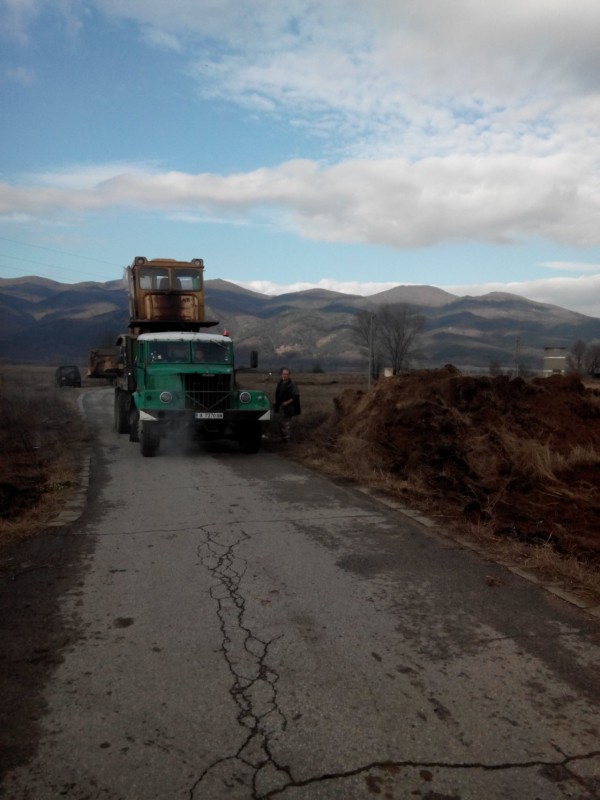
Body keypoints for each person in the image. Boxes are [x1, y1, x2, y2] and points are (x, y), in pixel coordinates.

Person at [274, 367, 300, 442]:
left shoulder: (292, 385)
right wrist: (276, 402)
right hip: (281, 407)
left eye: (286, 374)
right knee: (280, 423)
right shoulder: (280, 384)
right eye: (283, 374)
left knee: (286, 424)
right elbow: (278, 394)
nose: (285, 375)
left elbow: (295, 396)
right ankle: (284, 439)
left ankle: (288, 440)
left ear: (288, 375)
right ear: (281, 375)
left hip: (289, 407)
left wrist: (287, 402)